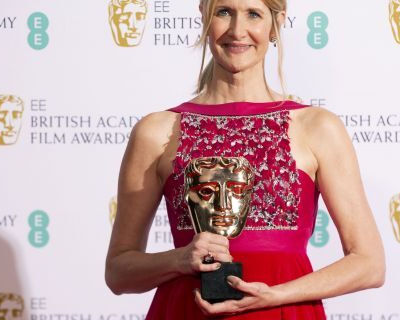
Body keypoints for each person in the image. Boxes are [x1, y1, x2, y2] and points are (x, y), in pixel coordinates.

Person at [105, 0, 385, 318]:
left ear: (276, 24)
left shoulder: (317, 127)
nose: (238, 31)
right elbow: (119, 272)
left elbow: (369, 264)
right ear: (205, 18)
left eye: (253, 14)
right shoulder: (155, 131)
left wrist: (273, 295)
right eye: (224, 12)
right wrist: (179, 259)